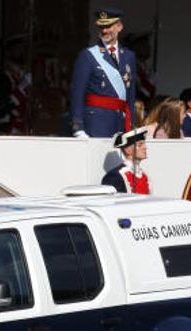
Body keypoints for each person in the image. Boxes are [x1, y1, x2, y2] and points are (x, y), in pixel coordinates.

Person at [69, 8, 137, 138]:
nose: (104, 31)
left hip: (121, 122)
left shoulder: (129, 56)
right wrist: (78, 127)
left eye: (108, 26)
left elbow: (131, 96)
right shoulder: (88, 55)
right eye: (101, 27)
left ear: (119, 27)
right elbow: (77, 93)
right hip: (96, 122)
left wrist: (131, 124)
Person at [101, 126, 150, 194]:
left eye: (144, 144)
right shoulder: (115, 176)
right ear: (128, 150)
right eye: (140, 144)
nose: (145, 147)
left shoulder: (144, 175)